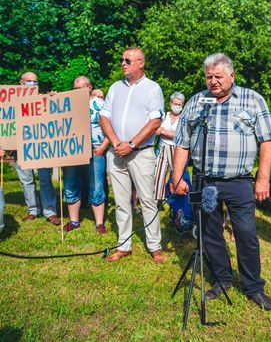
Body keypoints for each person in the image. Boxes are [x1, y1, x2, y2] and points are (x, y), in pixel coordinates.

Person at [172, 53, 271, 310]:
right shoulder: (196, 102)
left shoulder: (252, 100)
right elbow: (182, 142)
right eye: (209, 77)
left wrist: (263, 179)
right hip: (204, 180)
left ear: (232, 75)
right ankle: (222, 280)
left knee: (246, 233)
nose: (213, 81)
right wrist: (176, 176)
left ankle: (253, 287)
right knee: (210, 233)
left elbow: (267, 141)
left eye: (218, 76)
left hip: (238, 181)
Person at [99, 47, 165, 264]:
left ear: (140, 63)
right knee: (121, 202)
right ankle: (124, 245)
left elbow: (155, 122)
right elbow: (104, 117)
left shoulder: (152, 88)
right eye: (122, 60)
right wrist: (116, 143)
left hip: (141, 153)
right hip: (116, 152)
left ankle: (155, 246)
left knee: (148, 201)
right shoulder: (115, 88)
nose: (123, 63)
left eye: (128, 60)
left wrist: (132, 144)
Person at [61, 76, 109, 234]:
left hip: (95, 149)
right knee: (70, 183)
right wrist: (52, 98)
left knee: (96, 184)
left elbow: (112, 127)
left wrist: (103, 146)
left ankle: (99, 223)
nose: (76, 91)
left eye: (80, 88)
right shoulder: (66, 103)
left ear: (89, 88)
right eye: (74, 88)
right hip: (72, 150)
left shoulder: (101, 105)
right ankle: (74, 221)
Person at [13, 72, 59, 225]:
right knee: (26, 179)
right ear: (21, 82)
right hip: (20, 146)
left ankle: (50, 211)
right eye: (29, 81)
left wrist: (54, 99)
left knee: (45, 178)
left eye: (35, 81)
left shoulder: (42, 98)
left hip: (40, 146)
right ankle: (33, 210)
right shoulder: (11, 101)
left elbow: (55, 113)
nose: (33, 84)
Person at [154, 91, 185, 200]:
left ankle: (176, 201)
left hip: (177, 150)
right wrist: (170, 133)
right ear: (171, 103)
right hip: (162, 148)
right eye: (175, 104)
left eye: (179, 104)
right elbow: (156, 131)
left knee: (177, 175)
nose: (177, 106)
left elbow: (180, 135)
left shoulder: (183, 118)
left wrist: (163, 132)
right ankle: (157, 199)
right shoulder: (163, 116)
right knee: (158, 175)